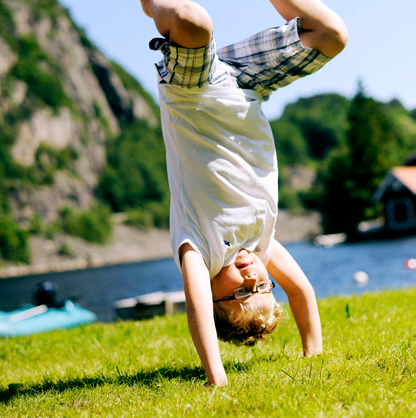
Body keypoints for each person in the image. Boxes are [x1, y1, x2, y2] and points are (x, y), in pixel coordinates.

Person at [139, 0, 348, 386]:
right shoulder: (261, 248)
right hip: (246, 87)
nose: (252, 276)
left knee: (193, 22)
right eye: (262, 287)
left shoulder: (199, 250)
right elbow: (301, 292)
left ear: (217, 296)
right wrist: (313, 354)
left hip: (195, 90)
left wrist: (215, 377)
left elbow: (196, 309)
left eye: (241, 294)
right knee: (332, 36)